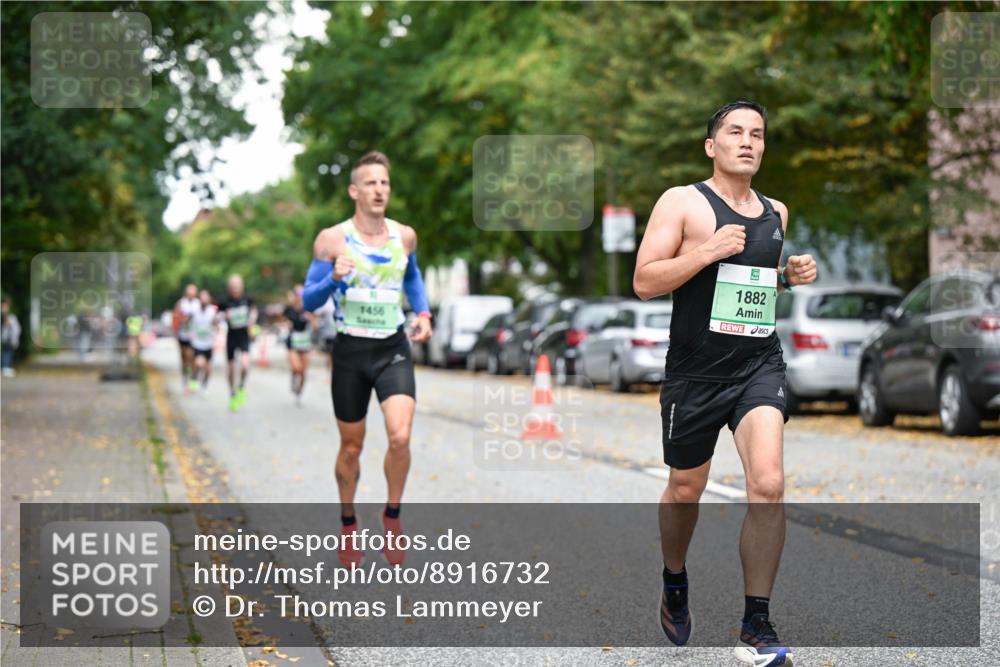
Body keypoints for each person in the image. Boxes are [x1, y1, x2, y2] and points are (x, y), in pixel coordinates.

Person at [632, 100, 816, 667]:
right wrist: (707, 250)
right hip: (694, 372)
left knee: (769, 482)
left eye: (757, 134)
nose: (748, 141)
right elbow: (643, 280)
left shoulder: (776, 211)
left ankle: (755, 624)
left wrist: (788, 276)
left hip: (757, 365)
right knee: (685, 487)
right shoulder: (682, 202)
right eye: (735, 132)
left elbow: (752, 286)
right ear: (711, 146)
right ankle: (675, 578)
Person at [302, 151, 432, 568]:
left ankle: (391, 516)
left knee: (400, 436)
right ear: (354, 191)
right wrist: (332, 277)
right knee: (352, 447)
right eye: (371, 183)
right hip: (350, 351)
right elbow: (309, 299)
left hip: (392, 346)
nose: (380, 190)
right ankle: (347, 522)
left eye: (385, 183)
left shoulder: (404, 236)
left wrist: (424, 312)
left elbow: (411, 275)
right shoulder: (331, 239)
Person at [220, 274, 257, 411]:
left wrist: (252, 319)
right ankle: (232, 391)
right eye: (232, 286)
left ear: (242, 287)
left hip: (244, 336)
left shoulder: (247, 300)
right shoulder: (224, 301)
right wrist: (223, 316)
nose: (235, 288)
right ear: (229, 288)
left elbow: (254, 311)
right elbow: (217, 317)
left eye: (237, 286)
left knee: (245, 364)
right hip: (231, 337)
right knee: (231, 368)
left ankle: (241, 386)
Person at [284, 285, 315, 406]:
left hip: (305, 341)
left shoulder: (308, 309)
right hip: (293, 341)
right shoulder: (289, 309)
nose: (300, 298)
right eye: (298, 295)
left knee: (303, 370)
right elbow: (283, 320)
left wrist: (312, 321)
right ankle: (293, 378)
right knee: (296, 367)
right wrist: (286, 323)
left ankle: (299, 393)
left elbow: (314, 324)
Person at [188, 290, 218, 392]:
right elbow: (189, 323)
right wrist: (190, 333)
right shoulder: (195, 311)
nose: (203, 300)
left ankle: (204, 384)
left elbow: (216, 325)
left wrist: (216, 327)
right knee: (199, 363)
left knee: (208, 369)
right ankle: (194, 378)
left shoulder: (212, 311)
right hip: (197, 343)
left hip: (208, 343)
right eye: (201, 298)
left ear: (209, 299)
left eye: (205, 298)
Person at [173, 284, 200, 393]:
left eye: (193, 294)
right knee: (184, 359)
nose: (191, 296)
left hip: (194, 336)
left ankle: (193, 379)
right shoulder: (181, 303)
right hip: (183, 335)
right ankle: (185, 379)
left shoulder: (198, 304)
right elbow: (175, 317)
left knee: (192, 357)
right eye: (189, 294)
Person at [1, 297, 21, 377]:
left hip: (9, 336)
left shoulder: (8, 313)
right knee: (6, 352)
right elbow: (6, 323)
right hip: (6, 336)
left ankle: (7, 368)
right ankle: (5, 368)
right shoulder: (4, 311)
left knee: (8, 352)